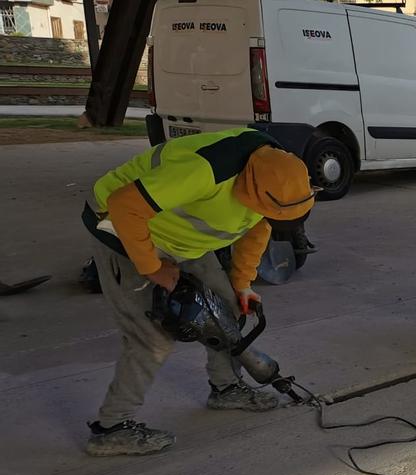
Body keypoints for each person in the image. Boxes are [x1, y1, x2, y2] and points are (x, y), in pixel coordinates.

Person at [81, 127, 316, 457]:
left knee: (231, 309)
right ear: (252, 189)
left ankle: (226, 388)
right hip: (124, 230)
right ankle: (111, 428)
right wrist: (153, 269)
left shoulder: (279, 175)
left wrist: (243, 283)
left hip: (185, 239)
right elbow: (125, 205)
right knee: (153, 339)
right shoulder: (204, 170)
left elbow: (258, 227)